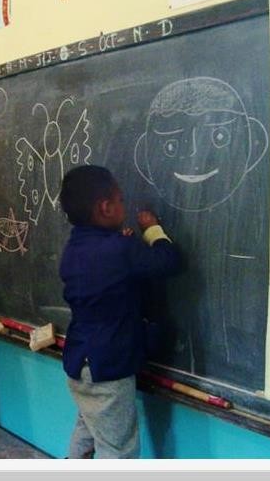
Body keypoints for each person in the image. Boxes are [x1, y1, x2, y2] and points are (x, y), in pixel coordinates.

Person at [58, 165, 181, 459]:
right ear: (106, 207)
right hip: (108, 370)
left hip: (80, 364)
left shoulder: (73, 249)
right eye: (121, 200)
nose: (125, 206)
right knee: (119, 451)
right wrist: (152, 229)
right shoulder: (121, 249)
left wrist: (124, 242)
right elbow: (168, 261)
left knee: (88, 428)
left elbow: (112, 274)